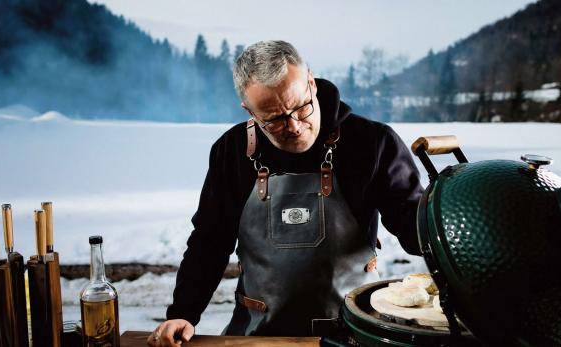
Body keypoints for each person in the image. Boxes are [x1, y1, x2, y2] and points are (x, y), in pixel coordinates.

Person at [148, 40, 423, 347]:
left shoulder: (372, 143)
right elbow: (209, 242)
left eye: (301, 107)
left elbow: (415, 225)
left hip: (354, 335)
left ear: (311, 82)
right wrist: (184, 312)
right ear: (250, 111)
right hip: (257, 336)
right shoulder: (232, 151)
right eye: (275, 119)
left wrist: (453, 232)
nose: (293, 126)